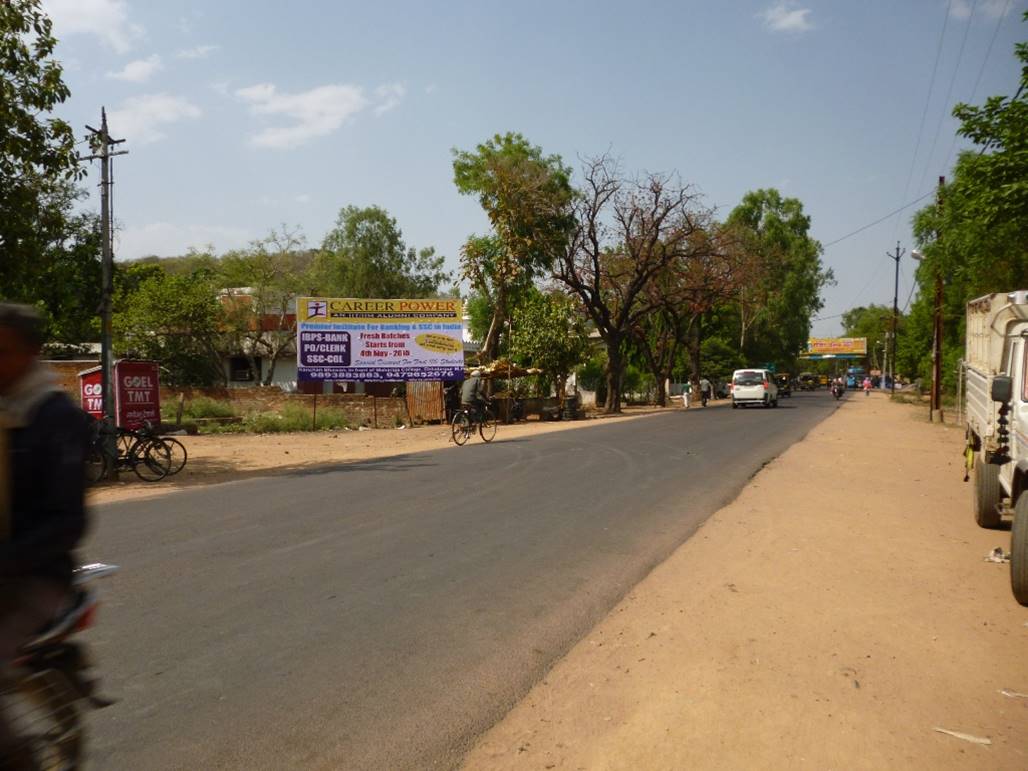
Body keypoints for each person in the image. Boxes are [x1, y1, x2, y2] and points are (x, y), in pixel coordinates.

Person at [0, 304, 90, 765]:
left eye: (3, 351)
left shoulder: (56, 419)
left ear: (31, 353)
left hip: (36, 578)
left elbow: (69, 522)